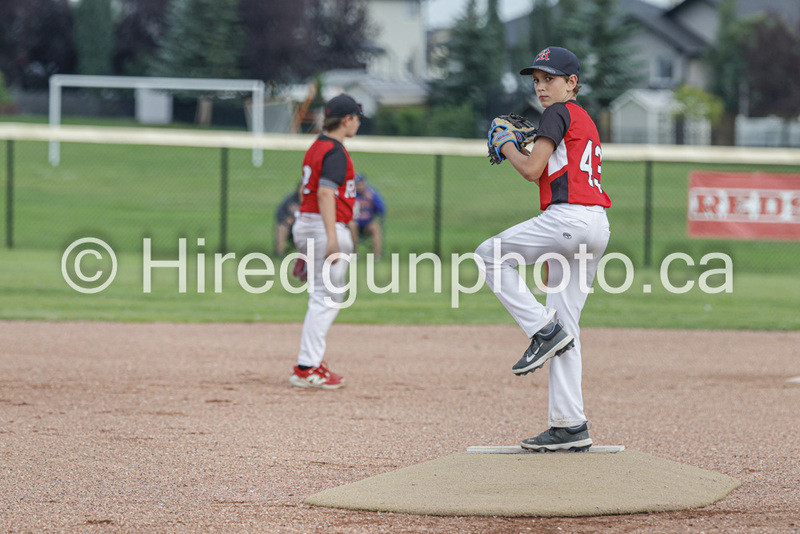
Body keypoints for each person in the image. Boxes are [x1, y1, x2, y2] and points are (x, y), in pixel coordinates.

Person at [476, 47, 612, 452]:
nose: (540, 87)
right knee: (568, 327)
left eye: (549, 79)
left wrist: (507, 146)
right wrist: (530, 140)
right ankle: (570, 424)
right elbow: (555, 158)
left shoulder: (557, 111)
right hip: (596, 225)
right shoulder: (583, 117)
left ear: (572, 83)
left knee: (488, 254)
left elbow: (532, 169)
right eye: (536, 80)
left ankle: (541, 329)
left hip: (567, 219)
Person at [289, 93, 364, 389]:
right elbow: (324, 193)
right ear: (346, 120)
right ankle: (307, 367)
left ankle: (309, 363)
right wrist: (331, 239)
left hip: (307, 225)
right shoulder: (335, 150)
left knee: (320, 297)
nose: (358, 123)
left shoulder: (315, 146)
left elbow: (302, 193)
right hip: (325, 228)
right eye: (357, 118)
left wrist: (306, 244)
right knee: (327, 299)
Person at [349, 173, 386, 260]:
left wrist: (372, 199)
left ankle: (377, 256)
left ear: (365, 184)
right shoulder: (351, 195)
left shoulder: (372, 194)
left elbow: (382, 209)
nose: (359, 186)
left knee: (375, 227)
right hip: (355, 224)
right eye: (357, 184)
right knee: (352, 225)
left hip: (367, 224)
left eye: (361, 184)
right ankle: (354, 253)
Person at [274, 186, 301, 257]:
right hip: (291, 229)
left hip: (307, 228)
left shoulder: (313, 201)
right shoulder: (290, 200)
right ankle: (279, 253)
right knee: (281, 226)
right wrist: (287, 220)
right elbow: (280, 215)